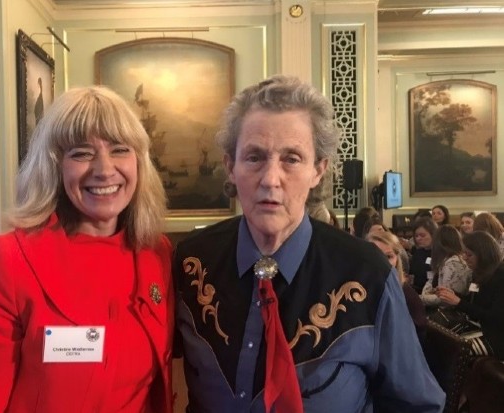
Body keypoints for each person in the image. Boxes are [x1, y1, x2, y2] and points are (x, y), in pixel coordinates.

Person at [172, 75, 444, 413]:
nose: (271, 179)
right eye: (254, 157)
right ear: (231, 166)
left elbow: (415, 405)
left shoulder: (367, 273)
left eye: (291, 159)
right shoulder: (192, 262)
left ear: (318, 170)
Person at [0, 86, 174, 413]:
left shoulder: (156, 251)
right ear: (54, 165)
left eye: (120, 149)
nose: (104, 170)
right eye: (81, 153)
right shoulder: (6, 261)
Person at [436, 231, 504, 360]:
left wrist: (459, 302)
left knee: (454, 348)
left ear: (483, 255)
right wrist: (454, 296)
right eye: (464, 253)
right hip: (482, 328)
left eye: (469, 255)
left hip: (497, 337)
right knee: (440, 336)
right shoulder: (479, 272)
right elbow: (477, 303)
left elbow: (496, 319)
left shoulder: (501, 276)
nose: (464, 258)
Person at [366, 230, 427, 344]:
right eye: (376, 256)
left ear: (397, 259)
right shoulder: (361, 290)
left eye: (389, 256)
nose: (383, 262)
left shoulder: (407, 296)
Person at [420, 225, 471, 309]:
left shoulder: (452, 263)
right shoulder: (445, 261)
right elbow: (431, 282)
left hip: (450, 312)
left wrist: (419, 298)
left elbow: (445, 299)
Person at [408, 217, 438, 293]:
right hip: (416, 291)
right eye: (416, 236)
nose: (418, 239)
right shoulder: (418, 252)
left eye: (422, 235)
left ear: (433, 234)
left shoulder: (439, 254)